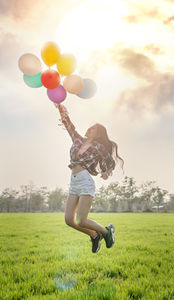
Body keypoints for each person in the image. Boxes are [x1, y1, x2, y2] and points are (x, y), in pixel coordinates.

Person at [55, 103, 124, 253]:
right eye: (90, 127)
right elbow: (68, 125)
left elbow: (110, 161)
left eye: (94, 128)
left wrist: (106, 172)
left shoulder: (99, 146)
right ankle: (94, 235)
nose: (90, 128)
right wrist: (60, 108)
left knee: (82, 219)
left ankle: (106, 232)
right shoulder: (78, 140)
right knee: (69, 220)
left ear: (98, 133)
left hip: (85, 181)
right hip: (74, 181)